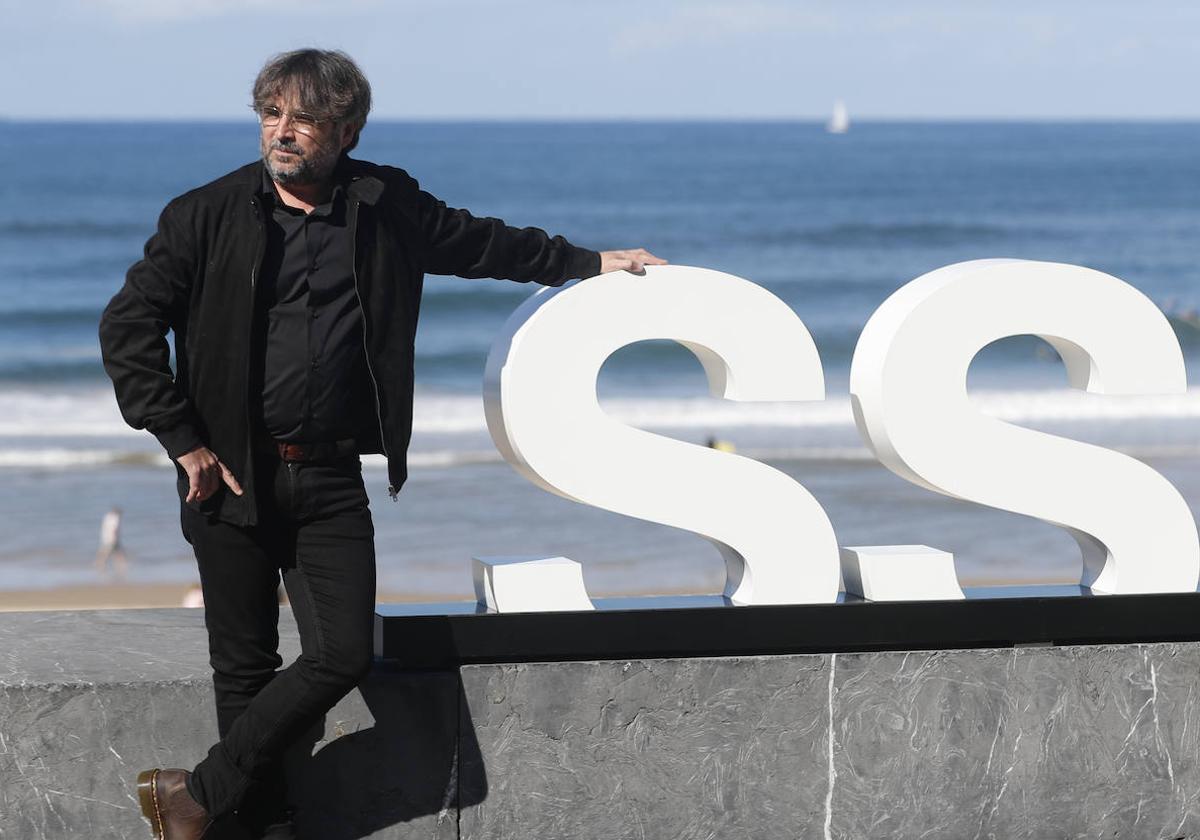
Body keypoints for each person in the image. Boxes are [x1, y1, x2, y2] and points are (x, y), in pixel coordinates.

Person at [99, 48, 664, 840]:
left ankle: (193, 794)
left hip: (329, 475)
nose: (282, 132)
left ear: (346, 130)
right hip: (227, 477)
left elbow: (479, 243)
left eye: (303, 118)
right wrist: (182, 439)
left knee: (342, 655)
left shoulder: (382, 202)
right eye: (271, 114)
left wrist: (588, 263)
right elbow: (127, 328)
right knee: (246, 669)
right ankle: (256, 826)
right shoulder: (206, 214)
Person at [94, 506, 128, 579]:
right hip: (112, 539)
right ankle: (101, 565)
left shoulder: (107, 517)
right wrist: (115, 539)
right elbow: (115, 529)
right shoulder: (116, 518)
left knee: (116, 553)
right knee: (109, 553)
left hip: (106, 538)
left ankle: (120, 566)